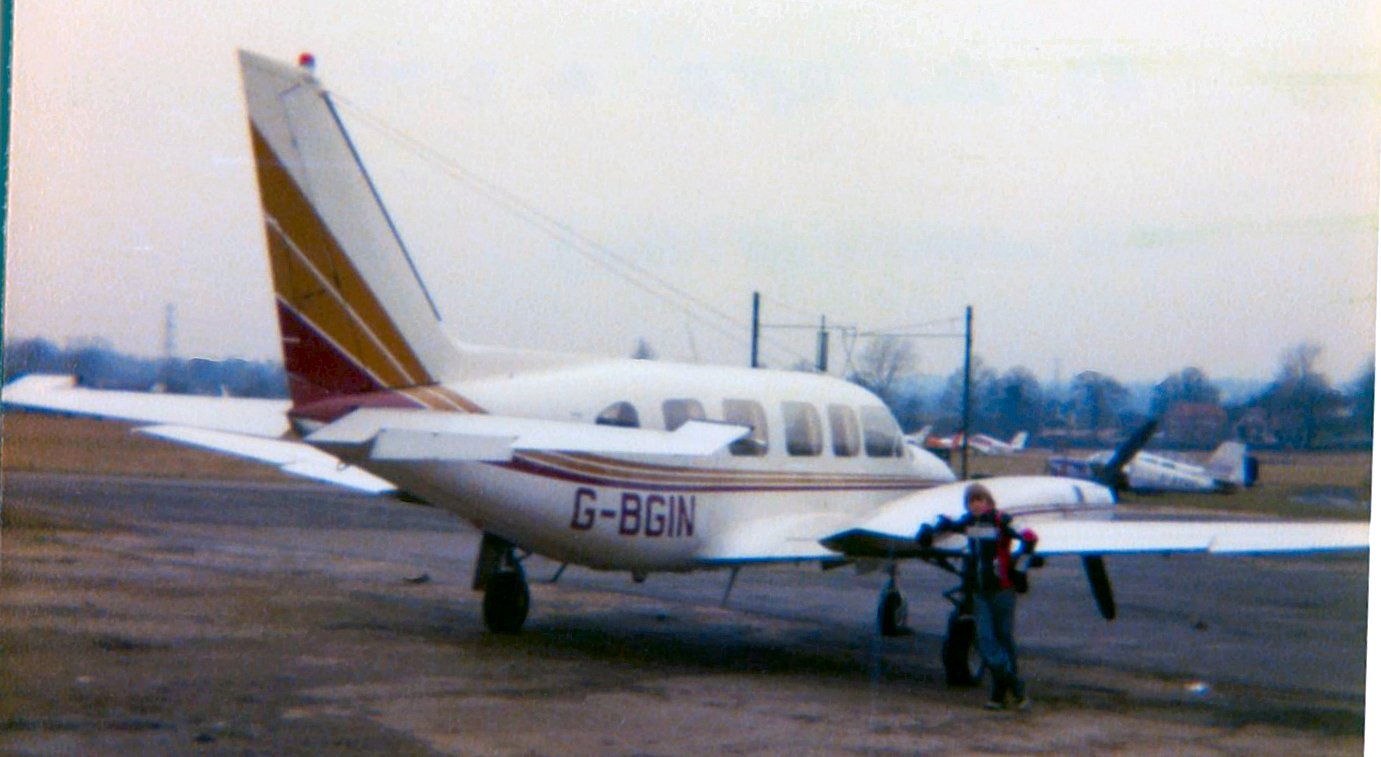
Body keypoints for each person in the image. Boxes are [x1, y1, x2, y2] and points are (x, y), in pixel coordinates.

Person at [920, 482, 1038, 711]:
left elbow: (1029, 538)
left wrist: (1020, 568)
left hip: (1003, 590)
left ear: (988, 501)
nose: (975, 504)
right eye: (971, 501)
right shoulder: (967, 522)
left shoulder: (1001, 520)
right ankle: (1015, 686)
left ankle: (999, 693)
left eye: (979, 499)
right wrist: (930, 529)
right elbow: (950, 525)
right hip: (980, 593)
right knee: (985, 641)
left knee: (1003, 640)